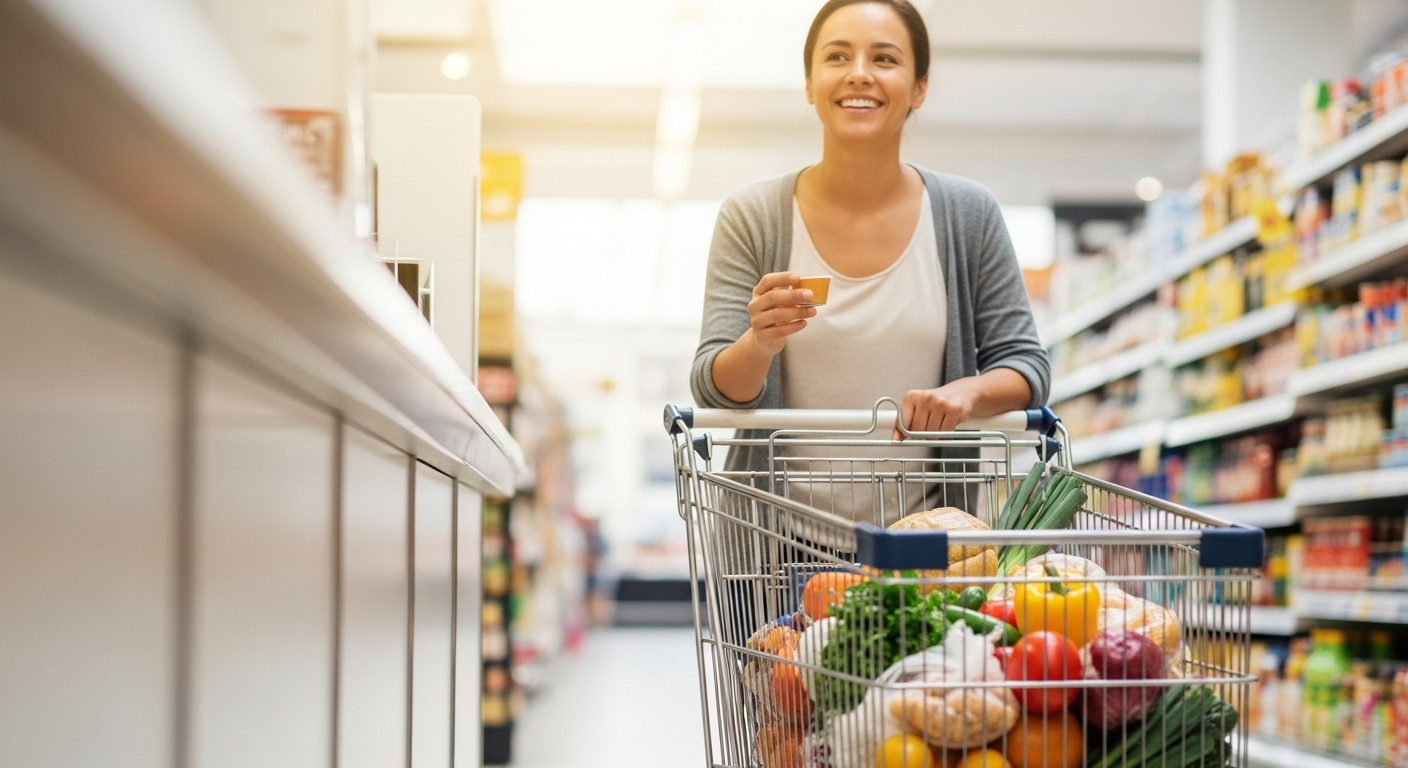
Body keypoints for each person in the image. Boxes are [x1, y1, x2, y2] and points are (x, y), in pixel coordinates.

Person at [690, 0, 1050, 522]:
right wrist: (759, 342)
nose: (859, 75)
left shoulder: (968, 215)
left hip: (925, 550)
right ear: (811, 83)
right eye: (837, 57)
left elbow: (1028, 366)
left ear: (919, 86)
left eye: (884, 59)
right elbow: (713, 386)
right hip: (776, 552)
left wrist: (966, 392)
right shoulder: (753, 216)